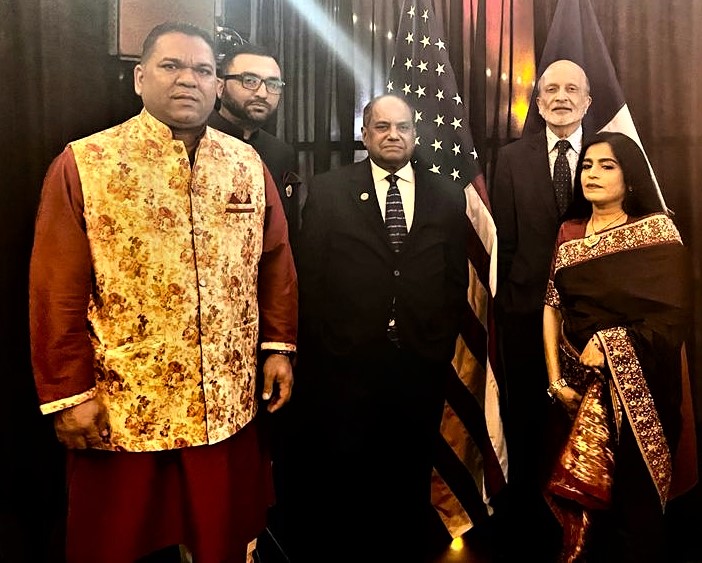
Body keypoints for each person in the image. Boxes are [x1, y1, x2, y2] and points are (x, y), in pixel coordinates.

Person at [28, 22, 297, 563]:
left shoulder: (247, 164)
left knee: (220, 542)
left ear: (217, 85)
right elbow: (54, 288)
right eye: (171, 66)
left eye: (202, 69)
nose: (188, 80)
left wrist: (278, 347)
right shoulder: (86, 163)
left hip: (224, 401)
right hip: (125, 402)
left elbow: (276, 262)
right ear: (139, 77)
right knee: (115, 545)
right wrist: (69, 393)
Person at [284, 94, 469, 562]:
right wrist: (325, 345)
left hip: (418, 357)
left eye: (402, 127)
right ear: (364, 134)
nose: (393, 135)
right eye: (381, 127)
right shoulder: (328, 190)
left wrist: (439, 338)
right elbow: (311, 272)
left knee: (409, 463)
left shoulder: (446, 195)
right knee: (349, 465)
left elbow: (452, 277)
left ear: (415, 133)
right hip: (347, 360)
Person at [542, 132, 694, 562]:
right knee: (584, 507)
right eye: (587, 165)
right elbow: (551, 308)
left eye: (607, 165)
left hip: (642, 392)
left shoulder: (657, 231)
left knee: (634, 508)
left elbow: (673, 318)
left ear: (630, 179)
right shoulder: (569, 233)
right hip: (575, 393)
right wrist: (555, 382)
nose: (592, 173)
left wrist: (612, 342)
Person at [489, 59, 592, 558]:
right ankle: (533, 522)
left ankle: (586, 519)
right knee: (528, 419)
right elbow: (505, 241)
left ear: (588, 102)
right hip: (525, 313)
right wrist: (512, 298)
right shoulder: (509, 159)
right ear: (539, 99)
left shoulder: (607, 154)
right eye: (550, 88)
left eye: (573, 89)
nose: (561, 97)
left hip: (594, 319)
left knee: (588, 425)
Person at [208, 43, 300, 247]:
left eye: (273, 84)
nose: (262, 93)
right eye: (249, 81)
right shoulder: (194, 141)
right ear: (219, 86)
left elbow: (287, 233)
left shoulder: (280, 153)